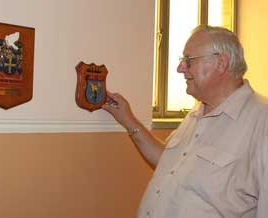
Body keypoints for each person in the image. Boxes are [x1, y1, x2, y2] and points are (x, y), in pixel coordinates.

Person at [102, 25, 268, 218]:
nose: (180, 68)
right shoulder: (199, 111)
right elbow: (169, 162)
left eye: (188, 60)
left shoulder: (261, 122)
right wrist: (128, 120)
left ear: (221, 63)